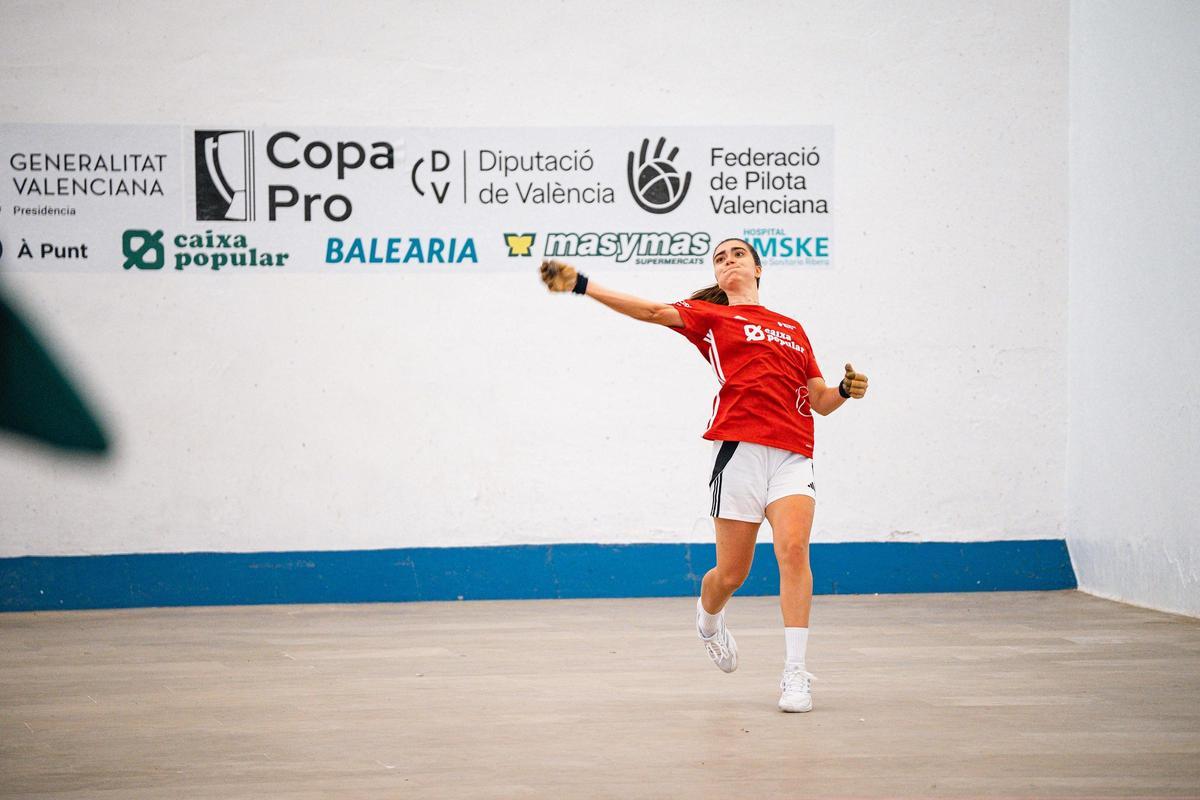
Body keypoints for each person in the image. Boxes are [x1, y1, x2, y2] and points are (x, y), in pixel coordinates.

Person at [539, 238, 868, 712]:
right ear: (717, 276)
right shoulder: (710, 317)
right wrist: (583, 285)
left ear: (758, 268)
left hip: (793, 454)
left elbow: (819, 400)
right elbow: (653, 311)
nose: (728, 260)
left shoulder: (792, 328)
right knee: (732, 574)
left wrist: (844, 390)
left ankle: (795, 673)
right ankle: (708, 619)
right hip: (738, 452)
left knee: (794, 550)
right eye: (719, 258)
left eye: (737, 254)